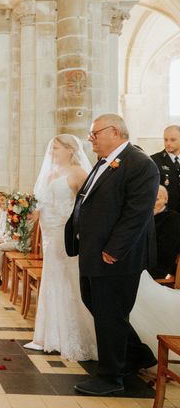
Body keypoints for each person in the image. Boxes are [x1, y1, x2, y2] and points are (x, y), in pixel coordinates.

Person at [65, 113, 158, 396]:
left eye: (95, 133)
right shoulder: (105, 162)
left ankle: (110, 377)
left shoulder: (141, 164)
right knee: (100, 307)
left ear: (114, 132)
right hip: (94, 252)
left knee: (110, 315)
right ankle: (137, 356)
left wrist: (114, 250)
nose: (91, 139)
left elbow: (137, 213)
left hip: (115, 257)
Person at [23, 134, 97, 361]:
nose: (51, 152)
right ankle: (49, 335)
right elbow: (44, 201)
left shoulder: (78, 173)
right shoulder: (51, 172)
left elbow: (87, 207)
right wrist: (32, 213)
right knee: (52, 279)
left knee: (67, 280)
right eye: (52, 148)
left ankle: (75, 336)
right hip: (49, 232)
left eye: (56, 148)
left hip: (65, 234)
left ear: (70, 149)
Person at [148, 185, 180, 279]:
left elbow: (165, 252)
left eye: (156, 199)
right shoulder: (144, 216)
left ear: (165, 200)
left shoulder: (173, 219)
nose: (152, 203)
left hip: (157, 268)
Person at [151, 125, 180, 213]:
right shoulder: (154, 160)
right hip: (166, 215)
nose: (168, 143)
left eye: (172, 140)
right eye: (165, 139)